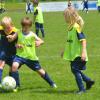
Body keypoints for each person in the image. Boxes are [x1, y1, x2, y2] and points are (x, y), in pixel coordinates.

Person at [11, 17, 57, 91]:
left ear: (30, 27)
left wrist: (39, 42)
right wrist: (15, 43)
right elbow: (13, 40)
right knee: (14, 66)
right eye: (23, 27)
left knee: (40, 72)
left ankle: (52, 83)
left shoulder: (32, 34)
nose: (24, 29)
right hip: (20, 56)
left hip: (31, 58)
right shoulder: (18, 32)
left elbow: (42, 41)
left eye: (26, 27)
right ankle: (17, 85)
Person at [62, 8, 95, 94]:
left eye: (65, 16)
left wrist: (83, 52)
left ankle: (82, 89)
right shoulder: (70, 27)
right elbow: (70, 42)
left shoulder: (76, 27)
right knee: (74, 70)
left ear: (70, 17)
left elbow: (83, 40)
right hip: (73, 54)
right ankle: (88, 81)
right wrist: (64, 51)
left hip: (78, 55)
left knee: (75, 70)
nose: (64, 18)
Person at [0, 16, 20, 89]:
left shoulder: (16, 31)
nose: (6, 29)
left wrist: (19, 45)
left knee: (13, 68)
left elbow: (23, 36)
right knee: (1, 65)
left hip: (12, 53)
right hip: (3, 51)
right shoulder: (1, 29)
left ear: (12, 25)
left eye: (8, 27)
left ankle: (16, 85)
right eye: (4, 28)